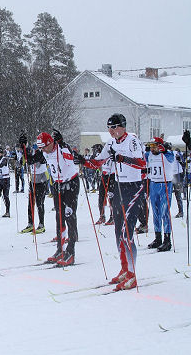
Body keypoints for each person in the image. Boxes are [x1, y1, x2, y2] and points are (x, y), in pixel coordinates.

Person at [77, 114, 146, 291]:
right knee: (118, 230)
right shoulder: (111, 143)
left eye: (114, 127)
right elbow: (99, 161)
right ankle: (125, 268)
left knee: (126, 232)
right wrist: (84, 161)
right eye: (109, 128)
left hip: (134, 186)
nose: (111, 131)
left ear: (122, 126)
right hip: (120, 186)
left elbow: (141, 163)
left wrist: (123, 159)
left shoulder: (132, 141)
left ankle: (132, 274)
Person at [22, 130, 80, 267]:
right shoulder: (44, 152)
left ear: (51, 143)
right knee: (59, 217)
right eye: (40, 148)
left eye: (44, 147)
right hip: (57, 185)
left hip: (70, 183)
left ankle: (71, 252)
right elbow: (30, 160)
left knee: (69, 216)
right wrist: (24, 146)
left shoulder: (62, 148)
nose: (43, 151)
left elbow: (72, 157)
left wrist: (62, 143)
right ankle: (60, 250)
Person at [145, 137, 174, 251]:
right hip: (153, 184)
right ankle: (158, 238)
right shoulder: (150, 155)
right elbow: (141, 156)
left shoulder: (167, 155)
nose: (152, 148)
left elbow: (171, 158)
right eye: (151, 146)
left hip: (165, 184)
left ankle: (167, 240)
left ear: (160, 146)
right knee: (155, 213)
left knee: (164, 212)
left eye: (154, 146)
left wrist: (165, 150)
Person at [20, 143, 48, 234]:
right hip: (33, 181)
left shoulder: (41, 154)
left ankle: (41, 224)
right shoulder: (31, 154)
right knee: (31, 203)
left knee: (40, 203)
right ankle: (30, 224)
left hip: (42, 181)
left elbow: (32, 160)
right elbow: (24, 162)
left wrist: (26, 154)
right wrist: (24, 150)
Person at [172, 148, 184, 218]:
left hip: (176, 175)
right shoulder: (164, 153)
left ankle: (181, 211)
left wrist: (179, 159)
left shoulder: (176, 153)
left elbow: (182, 162)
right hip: (169, 175)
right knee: (167, 195)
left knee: (178, 194)